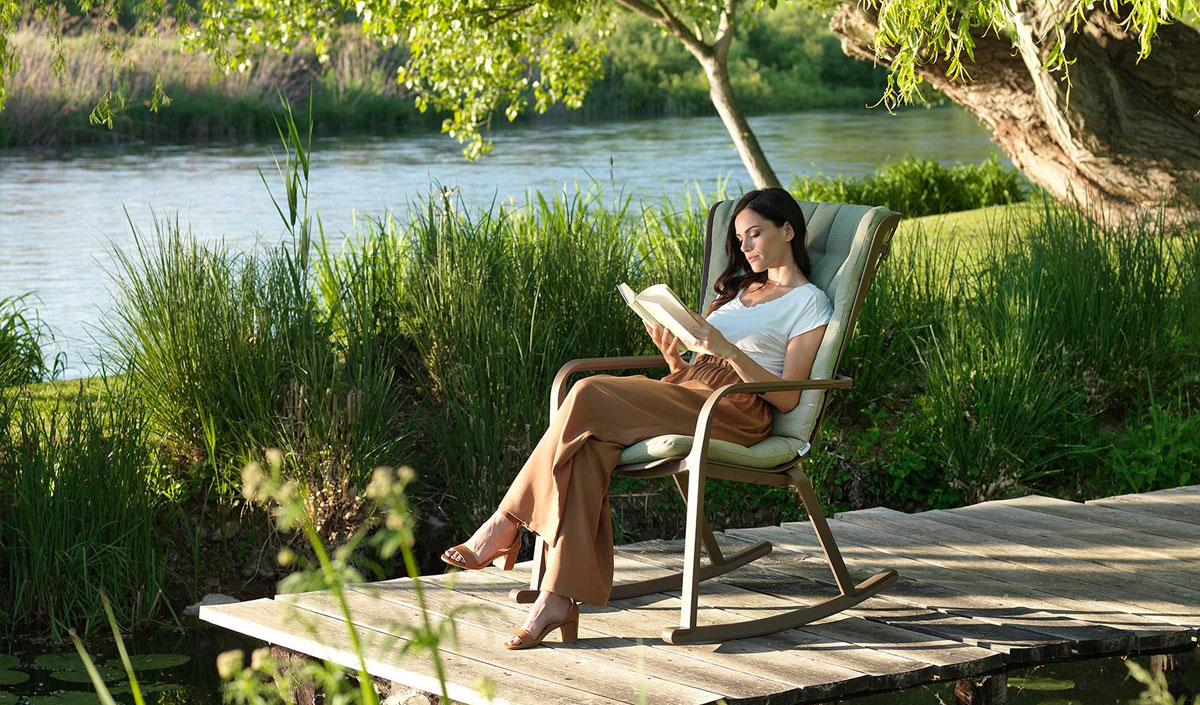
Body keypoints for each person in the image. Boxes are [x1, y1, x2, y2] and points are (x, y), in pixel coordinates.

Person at [440, 187, 834, 649]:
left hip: (733, 410)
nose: (745, 248)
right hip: (688, 391)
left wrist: (726, 349)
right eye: (739, 239)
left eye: (755, 235)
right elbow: (691, 371)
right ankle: (556, 598)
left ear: (787, 230)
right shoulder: (741, 290)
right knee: (587, 449)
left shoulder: (809, 302)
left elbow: (787, 398)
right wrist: (673, 356)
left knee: (587, 389)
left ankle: (506, 522)